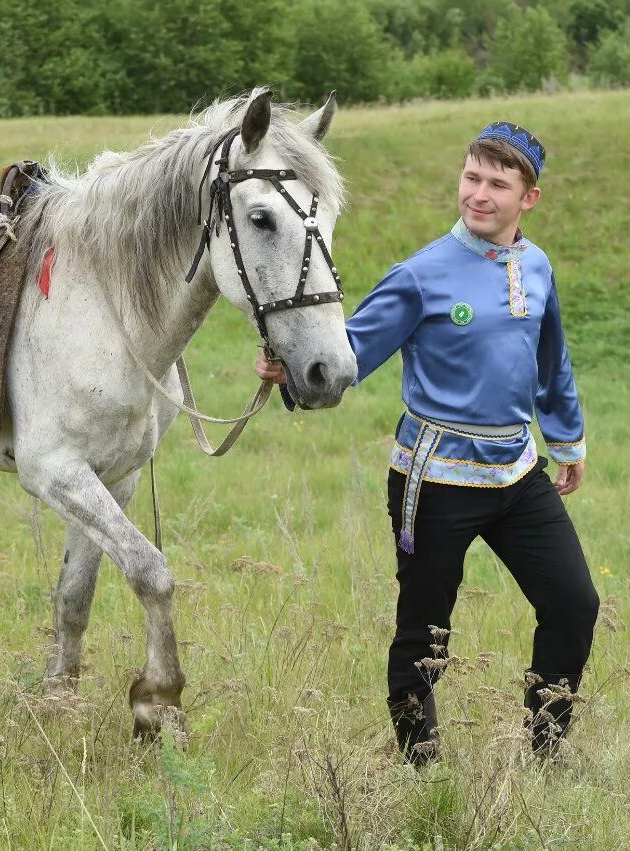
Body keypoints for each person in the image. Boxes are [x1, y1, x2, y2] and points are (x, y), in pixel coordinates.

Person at [255, 122, 599, 764]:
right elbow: (352, 352)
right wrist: (292, 369)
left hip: (518, 475)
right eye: (473, 177)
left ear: (529, 198)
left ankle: (541, 759)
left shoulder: (538, 265)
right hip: (435, 480)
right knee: (427, 634)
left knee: (575, 603)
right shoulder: (419, 275)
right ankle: (423, 772)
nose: (480, 194)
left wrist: (567, 443)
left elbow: (552, 362)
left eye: (499, 184)